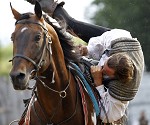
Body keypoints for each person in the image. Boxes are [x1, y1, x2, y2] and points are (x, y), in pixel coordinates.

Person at [26, 0, 145, 124]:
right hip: (120, 43)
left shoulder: (122, 90)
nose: (100, 69)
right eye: (103, 65)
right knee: (72, 26)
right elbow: (99, 44)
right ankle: (46, 3)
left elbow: (107, 116)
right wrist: (86, 50)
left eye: (105, 72)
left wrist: (99, 83)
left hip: (121, 81)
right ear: (109, 55)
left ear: (115, 78)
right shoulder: (115, 39)